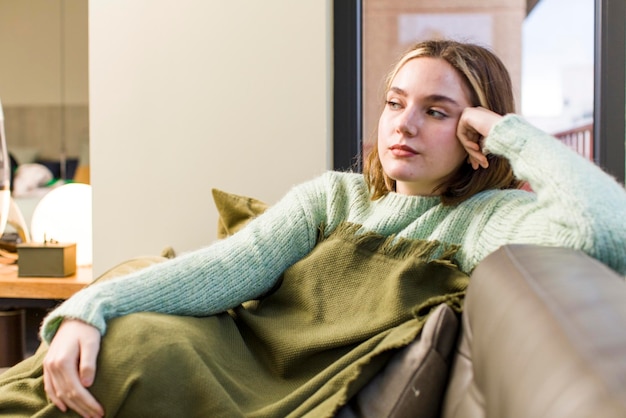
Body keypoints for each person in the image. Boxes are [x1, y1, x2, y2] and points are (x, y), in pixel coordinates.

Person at [1, 39, 625, 418]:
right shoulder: (337, 196)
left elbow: (608, 231)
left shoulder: (480, 222)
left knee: (109, 361)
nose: (403, 124)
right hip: (204, 342)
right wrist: (89, 308)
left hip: (238, 388)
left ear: (473, 138)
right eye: (394, 101)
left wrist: (506, 129)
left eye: (437, 112)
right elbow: (225, 270)